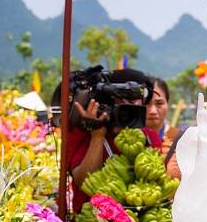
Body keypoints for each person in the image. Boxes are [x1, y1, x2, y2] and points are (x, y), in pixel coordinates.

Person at [66, 69, 161, 212]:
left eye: (136, 98)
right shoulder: (82, 132)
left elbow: (156, 179)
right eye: (123, 97)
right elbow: (84, 181)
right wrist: (97, 137)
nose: (131, 104)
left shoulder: (148, 136)